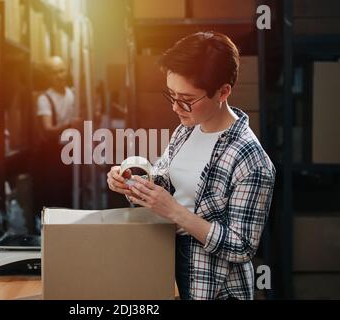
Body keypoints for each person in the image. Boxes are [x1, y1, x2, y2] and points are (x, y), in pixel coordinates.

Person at [107, 32, 275, 300]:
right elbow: (164, 181)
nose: (176, 107)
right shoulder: (186, 130)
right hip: (169, 258)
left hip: (214, 283)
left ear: (223, 91)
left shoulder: (251, 160)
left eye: (186, 99)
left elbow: (242, 247)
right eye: (171, 94)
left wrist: (174, 211)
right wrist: (131, 182)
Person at [35, 56, 80, 209]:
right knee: (56, 199)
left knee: (72, 195)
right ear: (49, 76)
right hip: (54, 155)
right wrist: (69, 125)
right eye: (55, 73)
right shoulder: (44, 99)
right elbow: (47, 130)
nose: (59, 76)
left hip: (74, 152)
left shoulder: (73, 94)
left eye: (61, 71)